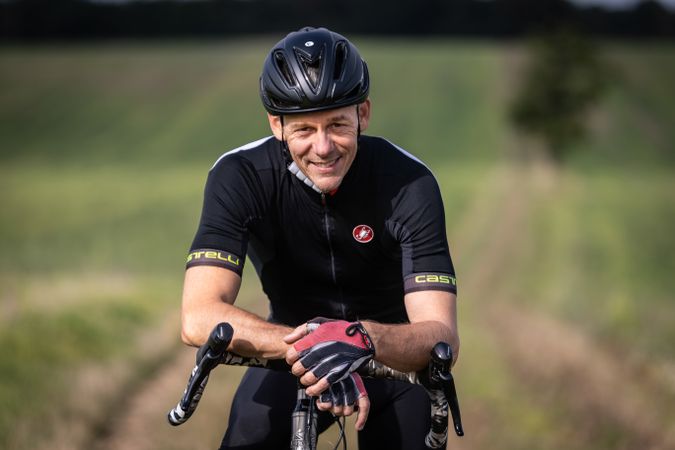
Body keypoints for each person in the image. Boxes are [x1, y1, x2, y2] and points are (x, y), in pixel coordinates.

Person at [180, 26, 459, 450]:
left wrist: (359, 340)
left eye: (337, 125)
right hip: (285, 353)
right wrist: (317, 350)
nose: (323, 147)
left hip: (388, 356)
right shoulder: (240, 176)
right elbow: (197, 316)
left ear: (363, 114)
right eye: (304, 129)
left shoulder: (408, 182)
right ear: (276, 124)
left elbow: (441, 335)